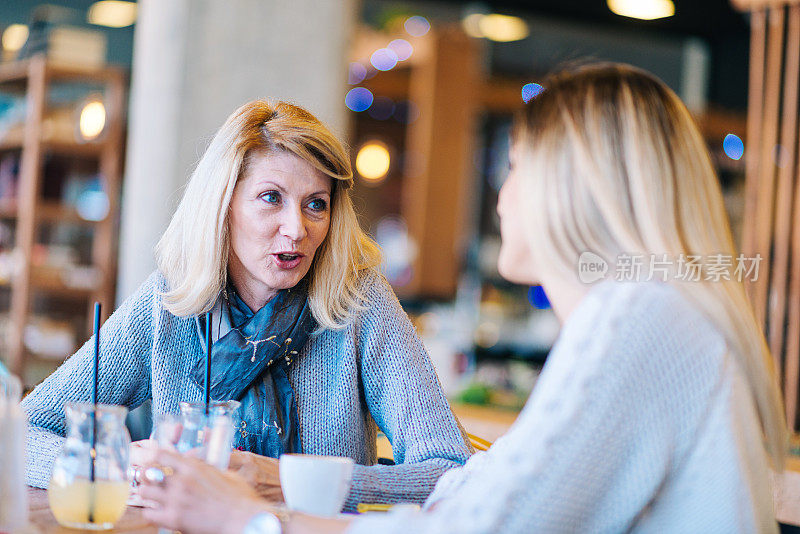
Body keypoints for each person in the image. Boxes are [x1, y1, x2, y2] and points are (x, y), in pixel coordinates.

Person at [140, 63, 788, 533]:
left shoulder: (640, 321)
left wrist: (251, 519)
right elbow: (476, 490)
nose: (502, 198)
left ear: (572, 190)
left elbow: (483, 526)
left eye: (515, 169)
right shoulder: (655, 317)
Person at [21, 100, 472, 510]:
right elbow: (18, 436)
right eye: (271, 198)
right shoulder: (169, 304)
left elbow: (453, 473)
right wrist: (120, 466)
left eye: (316, 204)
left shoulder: (358, 301)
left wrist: (291, 481)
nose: (296, 229)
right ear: (224, 203)